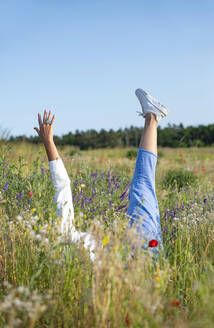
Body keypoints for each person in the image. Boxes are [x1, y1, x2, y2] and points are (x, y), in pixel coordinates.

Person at [34, 88, 168, 260]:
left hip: (140, 264)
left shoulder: (67, 266)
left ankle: (152, 118)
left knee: (146, 187)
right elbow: (62, 187)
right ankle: (152, 116)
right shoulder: (63, 239)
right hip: (139, 254)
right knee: (142, 184)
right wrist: (48, 143)